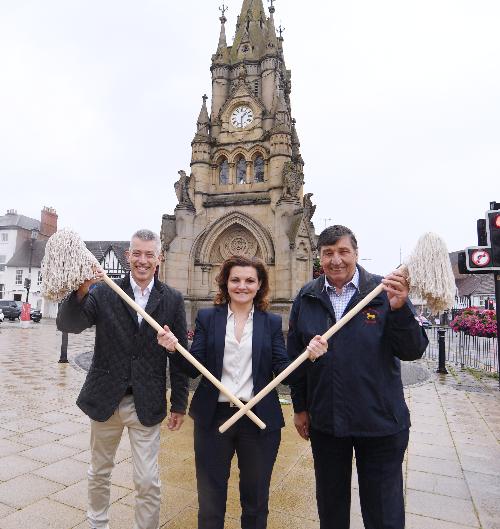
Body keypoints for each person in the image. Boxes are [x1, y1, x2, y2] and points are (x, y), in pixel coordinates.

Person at [158, 255, 327, 529]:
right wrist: (172, 348)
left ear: (259, 285)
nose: (242, 286)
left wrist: (309, 357)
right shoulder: (207, 318)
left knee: (256, 502)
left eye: (250, 280)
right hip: (214, 419)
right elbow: (193, 368)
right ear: (226, 282)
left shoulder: (270, 322)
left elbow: (285, 371)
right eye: (235, 279)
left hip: (258, 421)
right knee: (210, 501)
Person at [287, 225, 429, 529]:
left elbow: (413, 350)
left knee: (383, 514)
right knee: (331, 508)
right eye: (328, 253)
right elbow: (295, 359)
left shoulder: (383, 291)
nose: (336, 260)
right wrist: (300, 407)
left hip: (380, 422)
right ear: (319, 257)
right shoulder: (307, 296)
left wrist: (401, 310)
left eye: (343, 251)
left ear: (356, 253)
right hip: (327, 421)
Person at [57, 229, 188, 529]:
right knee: (100, 471)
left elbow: (180, 358)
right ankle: (97, 524)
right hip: (105, 399)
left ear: (159, 258)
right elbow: (68, 323)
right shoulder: (104, 292)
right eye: (137, 254)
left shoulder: (172, 300)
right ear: (128, 256)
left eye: (149, 254)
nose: (142, 261)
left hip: (146, 402)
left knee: (147, 481)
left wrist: (180, 403)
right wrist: (81, 290)